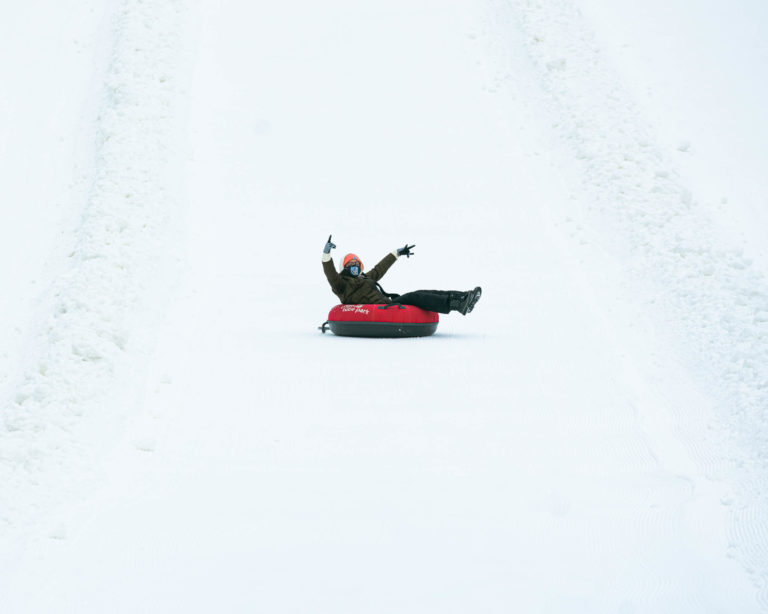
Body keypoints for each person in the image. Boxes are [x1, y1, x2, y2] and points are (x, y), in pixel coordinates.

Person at [321, 235, 481, 315]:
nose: (354, 267)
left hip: (387, 303)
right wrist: (326, 255)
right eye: (350, 265)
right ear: (344, 268)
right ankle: (456, 303)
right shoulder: (341, 285)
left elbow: (380, 268)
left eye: (356, 264)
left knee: (419, 293)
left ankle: (463, 298)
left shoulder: (367, 278)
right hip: (378, 310)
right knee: (415, 297)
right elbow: (330, 274)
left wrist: (396, 253)